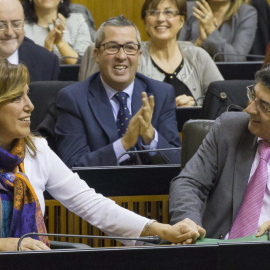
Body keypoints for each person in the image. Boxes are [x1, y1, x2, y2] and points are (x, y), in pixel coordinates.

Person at [0, 59, 205, 251]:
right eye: (17, 98)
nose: (30, 105)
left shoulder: (37, 151)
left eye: (28, 94)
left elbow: (91, 204)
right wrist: (3, 245)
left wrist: (162, 229)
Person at [55, 15, 181, 167]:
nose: (121, 56)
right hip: (98, 189)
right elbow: (73, 164)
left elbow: (177, 163)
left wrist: (150, 136)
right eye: (112, 47)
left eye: (130, 48)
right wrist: (124, 144)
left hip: (152, 189)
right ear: (96, 55)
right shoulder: (74, 99)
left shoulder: (161, 94)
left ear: (139, 56)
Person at [169, 64, 270, 242]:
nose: (249, 109)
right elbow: (189, 183)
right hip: (215, 250)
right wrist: (189, 222)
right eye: (253, 96)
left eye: (264, 106)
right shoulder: (229, 129)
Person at [79, 0, 223, 107]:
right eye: (153, 12)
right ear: (145, 21)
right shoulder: (130, 55)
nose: (160, 18)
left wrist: (196, 104)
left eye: (169, 12)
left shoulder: (198, 56)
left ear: (181, 21)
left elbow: (223, 98)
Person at [179, 0, 257, 62]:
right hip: (190, 72)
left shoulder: (246, 13)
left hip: (228, 77)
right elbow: (174, 49)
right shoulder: (188, 9)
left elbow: (236, 59)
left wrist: (211, 31)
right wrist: (197, 43)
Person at [0, 0, 59, 82]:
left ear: (23, 23)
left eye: (16, 24)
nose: (9, 32)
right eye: (1, 26)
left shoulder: (47, 62)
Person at [22, 0, 92, 64]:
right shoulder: (22, 28)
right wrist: (46, 49)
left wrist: (60, 42)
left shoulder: (77, 21)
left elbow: (85, 65)